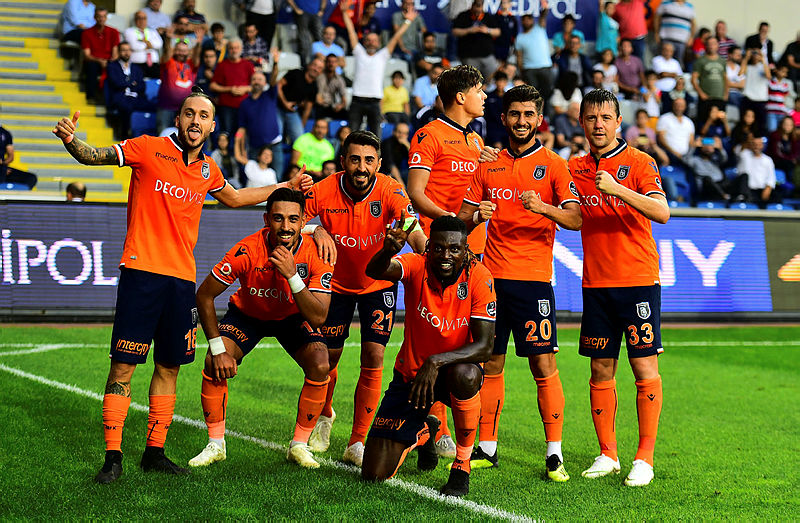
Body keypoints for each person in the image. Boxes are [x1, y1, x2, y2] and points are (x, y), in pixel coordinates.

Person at [51, 88, 318, 485]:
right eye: (189, 113)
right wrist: (73, 141)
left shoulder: (208, 169)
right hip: (141, 273)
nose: (196, 120)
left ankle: (154, 452)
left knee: (169, 366)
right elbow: (95, 156)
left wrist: (288, 184)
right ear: (178, 120)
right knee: (123, 366)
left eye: (203, 116)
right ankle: (112, 457)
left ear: (212, 126)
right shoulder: (148, 148)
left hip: (181, 280)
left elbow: (236, 198)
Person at [456, 85, 581, 477]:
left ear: (539, 119)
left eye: (528, 114)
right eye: (514, 114)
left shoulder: (554, 165)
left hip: (533, 281)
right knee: (490, 362)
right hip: (491, 281)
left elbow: (576, 219)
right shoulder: (488, 164)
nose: (521, 121)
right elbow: (459, 223)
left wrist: (543, 207)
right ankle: (488, 447)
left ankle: (554, 453)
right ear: (503, 118)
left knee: (543, 364)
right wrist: (476, 217)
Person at [302, 130, 427, 468]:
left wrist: (427, 251)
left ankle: (357, 441)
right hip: (335, 284)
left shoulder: (390, 189)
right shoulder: (324, 189)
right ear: (343, 161)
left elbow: (412, 225)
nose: (362, 167)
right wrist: (315, 229)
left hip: (378, 283)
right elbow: (291, 220)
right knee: (327, 359)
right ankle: (325, 414)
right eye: (355, 159)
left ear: (379, 164)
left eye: (369, 160)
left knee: (374, 355)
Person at [188, 187, 333, 469]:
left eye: (293, 219)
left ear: (304, 221)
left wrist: (292, 275)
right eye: (278, 218)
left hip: (293, 316)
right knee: (212, 361)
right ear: (266, 219)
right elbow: (204, 295)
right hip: (249, 315)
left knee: (320, 364)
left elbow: (318, 317)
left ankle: (299, 446)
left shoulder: (318, 252)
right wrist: (218, 349)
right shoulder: (247, 250)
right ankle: (215, 444)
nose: (286, 226)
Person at [569, 88, 669, 487]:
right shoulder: (574, 167)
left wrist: (618, 189)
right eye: (591, 118)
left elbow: (661, 211)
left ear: (618, 122)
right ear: (582, 122)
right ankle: (608, 454)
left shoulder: (640, 162)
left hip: (638, 280)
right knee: (600, 368)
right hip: (596, 283)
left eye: (606, 118)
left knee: (643, 367)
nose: (599, 125)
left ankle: (644, 458)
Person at [361, 215, 495, 497]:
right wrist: (387, 251)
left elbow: (484, 347)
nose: (446, 256)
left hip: (451, 372)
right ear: (428, 248)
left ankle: (461, 465)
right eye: (439, 248)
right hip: (412, 375)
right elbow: (374, 271)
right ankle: (423, 431)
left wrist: (436, 361)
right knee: (373, 473)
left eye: (454, 249)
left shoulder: (480, 276)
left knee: (467, 375)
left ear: (466, 250)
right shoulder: (416, 265)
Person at [407, 65, 487, 453]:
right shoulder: (429, 134)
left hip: (471, 252)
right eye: (479, 90)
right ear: (460, 96)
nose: (484, 96)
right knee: (433, 334)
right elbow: (416, 192)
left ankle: (445, 430)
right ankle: (432, 427)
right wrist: (450, 226)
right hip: (438, 250)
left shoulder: (476, 141)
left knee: (461, 338)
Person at [340, 0, 415, 137]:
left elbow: (396, 37)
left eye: (374, 40)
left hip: (375, 102)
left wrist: (408, 21)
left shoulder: (382, 55)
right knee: (352, 136)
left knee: (376, 137)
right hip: (357, 100)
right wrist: (345, 12)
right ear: (364, 42)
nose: (371, 42)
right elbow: (351, 32)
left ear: (379, 43)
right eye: (369, 40)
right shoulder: (359, 52)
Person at [235, 58, 283, 178]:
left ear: (265, 83)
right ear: (250, 82)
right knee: (254, 179)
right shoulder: (244, 103)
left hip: (274, 145)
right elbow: (242, 128)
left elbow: (274, 79)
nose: (257, 81)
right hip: (255, 147)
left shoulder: (270, 95)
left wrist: (275, 64)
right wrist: (241, 147)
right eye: (254, 79)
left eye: (260, 79)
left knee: (278, 179)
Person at [210, 38, 255, 137]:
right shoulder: (222, 65)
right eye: (231, 48)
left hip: (245, 106)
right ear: (227, 49)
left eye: (236, 48)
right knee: (226, 134)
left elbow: (256, 86)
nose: (234, 50)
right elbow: (213, 86)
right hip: (226, 107)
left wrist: (245, 89)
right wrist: (230, 89)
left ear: (241, 49)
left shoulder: (248, 65)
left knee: (243, 135)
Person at [106, 42, 152, 138]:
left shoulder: (137, 68)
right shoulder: (112, 66)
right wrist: (132, 83)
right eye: (123, 50)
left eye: (128, 50)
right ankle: (125, 135)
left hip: (136, 97)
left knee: (154, 107)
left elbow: (142, 86)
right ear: (119, 52)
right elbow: (116, 83)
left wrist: (127, 84)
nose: (126, 53)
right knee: (126, 108)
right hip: (121, 97)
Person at [277, 57, 323, 146]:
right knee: (277, 136)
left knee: (300, 139)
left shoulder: (314, 87)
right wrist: (285, 103)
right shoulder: (296, 73)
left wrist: (301, 127)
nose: (316, 69)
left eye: (319, 68)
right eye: (315, 65)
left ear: (321, 72)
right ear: (309, 65)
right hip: (278, 107)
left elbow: (307, 110)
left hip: (292, 111)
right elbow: (278, 85)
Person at [451, 0, 501, 82]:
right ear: (472, 5)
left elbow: (498, 32)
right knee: (471, 81)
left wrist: (487, 30)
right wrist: (469, 30)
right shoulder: (463, 16)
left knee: (493, 79)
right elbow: (455, 31)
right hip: (469, 57)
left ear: (482, 6)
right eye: (476, 6)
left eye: (480, 6)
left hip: (487, 56)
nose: (478, 9)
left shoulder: (488, 16)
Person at [685, 135, 746, 201]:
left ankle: (744, 198)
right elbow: (685, 160)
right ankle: (725, 196)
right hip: (708, 189)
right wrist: (693, 146)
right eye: (705, 146)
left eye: (710, 146)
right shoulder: (695, 160)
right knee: (707, 179)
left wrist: (720, 148)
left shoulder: (715, 159)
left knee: (744, 176)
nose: (708, 148)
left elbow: (724, 159)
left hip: (722, 185)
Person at [515, 6, 553, 108]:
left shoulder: (539, 28)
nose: (527, 22)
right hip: (529, 69)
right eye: (524, 20)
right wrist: (522, 72)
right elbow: (519, 57)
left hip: (545, 67)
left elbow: (543, 16)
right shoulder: (519, 38)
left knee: (548, 94)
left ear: (532, 21)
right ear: (522, 22)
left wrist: (545, 9)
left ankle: (546, 116)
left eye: (529, 19)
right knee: (533, 96)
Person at [156, 41, 197, 133]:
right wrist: (168, 39)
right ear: (174, 50)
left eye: (184, 51)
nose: (181, 53)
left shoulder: (191, 64)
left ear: (188, 52)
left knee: (185, 135)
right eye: (178, 50)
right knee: (162, 134)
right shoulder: (168, 62)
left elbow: (197, 56)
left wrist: (198, 43)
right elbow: (166, 52)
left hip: (185, 108)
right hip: (166, 106)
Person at [81, 8, 120, 103]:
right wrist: (99, 61)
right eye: (99, 16)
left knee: (116, 67)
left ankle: (115, 99)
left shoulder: (114, 32)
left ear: (106, 18)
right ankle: (91, 97)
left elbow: (115, 53)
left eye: (103, 16)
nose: (101, 19)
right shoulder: (86, 33)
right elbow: (87, 55)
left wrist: (109, 62)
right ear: (94, 17)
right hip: (94, 61)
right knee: (91, 67)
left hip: (109, 61)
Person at [691, 37, 728, 126]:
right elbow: (693, 79)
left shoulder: (722, 61)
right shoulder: (700, 61)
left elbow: (725, 79)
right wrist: (701, 93)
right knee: (703, 123)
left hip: (719, 97)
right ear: (706, 46)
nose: (711, 46)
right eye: (709, 44)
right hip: (706, 97)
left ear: (718, 45)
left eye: (714, 44)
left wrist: (726, 94)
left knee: (719, 123)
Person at [738, 134, 778, 206]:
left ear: (762, 145)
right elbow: (738, 150)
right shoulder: (744, 156)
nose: (756, 146)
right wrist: (748, 140)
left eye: (759, 144)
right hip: (748, 190)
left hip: (762, 190)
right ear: (750, 145)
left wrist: (768, 189)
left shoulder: (768, 160)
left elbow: (771, 178)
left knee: (777, 198)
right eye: (754, 144)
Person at [654, 0, 695, 67]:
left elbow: (693, 23)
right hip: (666, 38)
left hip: (682, 41)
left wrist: (691, 37)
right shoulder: (665, 3)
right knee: (662, 62)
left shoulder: (690, 7)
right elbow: (657, 18)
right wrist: (656, 33)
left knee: (678, 63)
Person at [124, 10, 163, 79]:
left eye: (144, 18)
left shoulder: (152, 31)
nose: (142, 21)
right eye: (139, 18)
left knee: (155, 82)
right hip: (137, 64)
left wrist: (144, 42)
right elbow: (134, 46)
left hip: (153, 64)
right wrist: (149, 45)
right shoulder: (129, 31)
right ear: (135, 20)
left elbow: (159, 44)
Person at [741, 47, 772, 132]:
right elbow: (740, 73)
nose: (755, 55)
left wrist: (763, 59)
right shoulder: (748, 66)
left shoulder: (763, 67)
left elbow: (768, 76)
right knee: (745, 123)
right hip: (748, 98)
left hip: (760, 99)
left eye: (757, 53)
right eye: (754, 53)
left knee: (760, 124)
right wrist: (746, 58)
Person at [285, 0, 326, 65]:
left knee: (320, 38)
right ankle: (304, 64)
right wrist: (296, 9)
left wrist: (322, 10)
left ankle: (322, 62)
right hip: (302, 13)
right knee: (304, 40)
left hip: (315, 13)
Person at [315, 53, 348, 121]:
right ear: (325, 63)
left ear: (337, 64)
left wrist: (340, 106)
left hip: (331, 106)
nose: (331, 64)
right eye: (329, 62)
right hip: (319, 106)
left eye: (334, 62)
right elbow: (318, 97)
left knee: (346, 114)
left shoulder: (339, 79)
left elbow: (344, 99)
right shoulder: (319, 76)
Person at [379, 121, 410, 187]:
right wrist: (402, 185)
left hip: (398, 172)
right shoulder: (387, 144)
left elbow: (415, 160)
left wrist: (407, 145)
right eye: (399, 132)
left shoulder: (403, 145)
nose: (402, 136)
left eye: (405, 133)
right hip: (384, 173)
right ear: (393, 132)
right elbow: (391, 166)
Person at [766, 65, 794, 133]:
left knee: (781, 131)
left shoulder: (785, 85)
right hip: (771, 111)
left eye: (785, 72)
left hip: (781, 111)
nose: (784, 74)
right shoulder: (770, 82)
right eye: (782, 71)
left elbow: (784, 97)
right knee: (772, 130)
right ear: (776, 71)